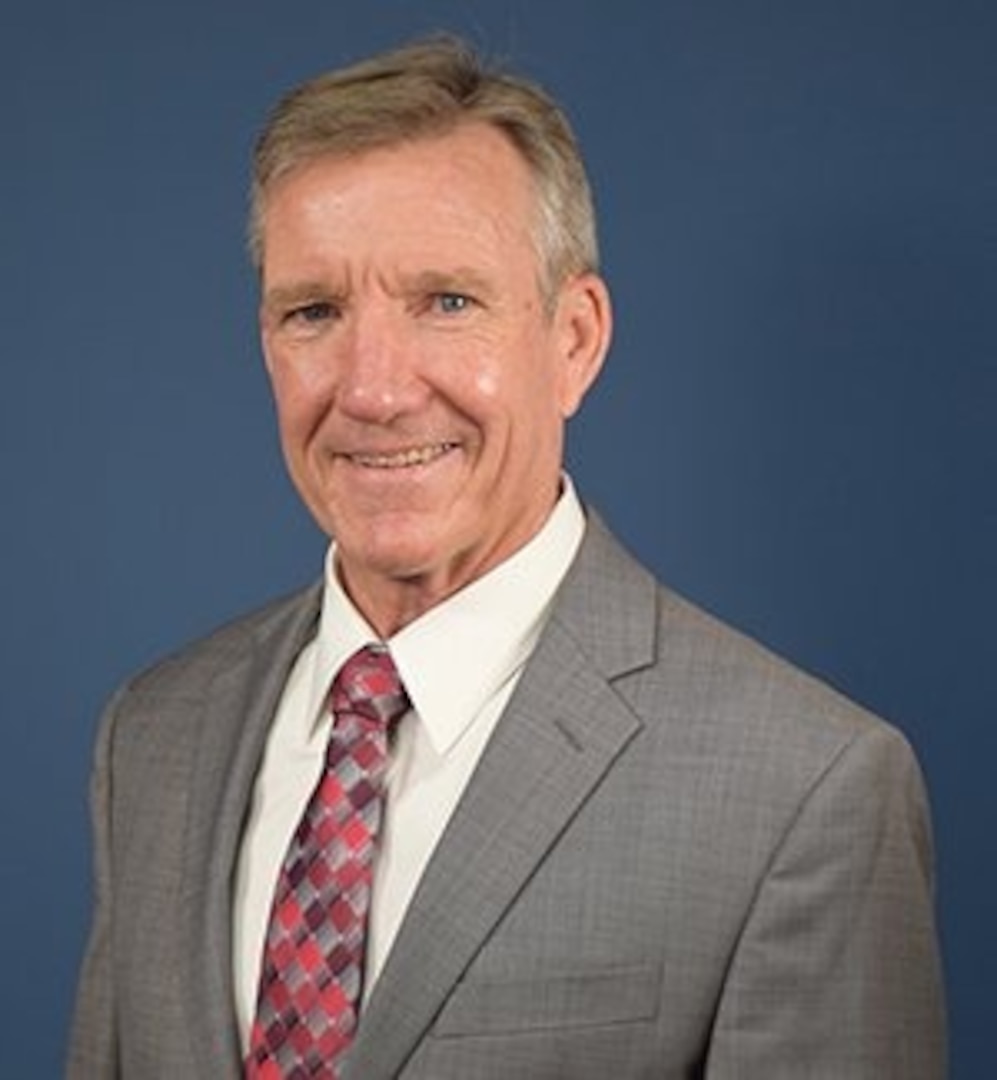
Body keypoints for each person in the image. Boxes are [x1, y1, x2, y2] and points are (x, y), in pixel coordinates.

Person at [68, 34, 946, 1079]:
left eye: (446, 301)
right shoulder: (153, 739)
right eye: (315, 312)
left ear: (573, 339)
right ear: (267, 342)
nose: (374, 389)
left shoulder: (808, 791)